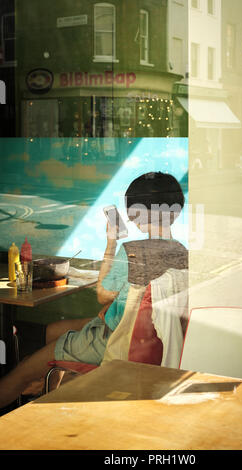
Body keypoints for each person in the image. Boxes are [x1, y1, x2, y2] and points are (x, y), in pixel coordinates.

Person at [0, 172, 188, 409]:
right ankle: (49, 385)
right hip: (145, 339)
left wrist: (111, 244)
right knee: (57, 329)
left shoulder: (132, 251)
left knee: (21, 372)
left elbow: (101, 294)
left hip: (114, 339)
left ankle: (36, 383)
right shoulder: (183, 253)